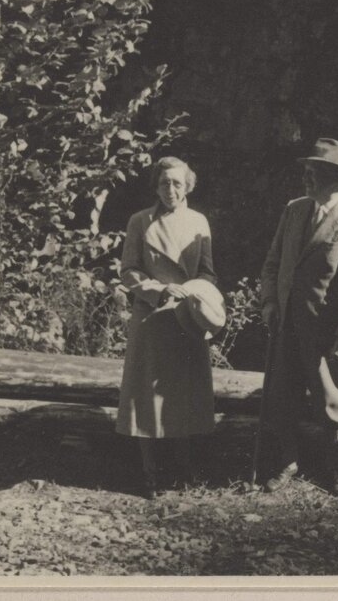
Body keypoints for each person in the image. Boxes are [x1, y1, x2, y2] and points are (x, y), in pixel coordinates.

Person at [258, 138, 338, 496]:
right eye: (307, 171)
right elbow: (272, 264)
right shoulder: (294, 210)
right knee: (282, 396)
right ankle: (288, 461)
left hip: (327, 334)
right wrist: (268, 303)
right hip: (286, 325)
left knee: (333, 400)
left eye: (315, 172)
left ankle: (333, 467)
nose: (307, 178)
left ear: (336, 178)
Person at [116, 156, 220, 499]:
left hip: (187, 319)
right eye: (164, 183)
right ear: (155, 186)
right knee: (145, 394)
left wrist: (193, 292)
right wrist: (158, 290)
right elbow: (129, 270)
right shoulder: (140, 221)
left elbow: (208, 272)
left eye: (177, 183)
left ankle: (183, 469)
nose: (171, 190)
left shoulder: (198, 222)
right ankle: (150, 473)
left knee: (182, 394)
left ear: (188, 185)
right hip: (152, 317)